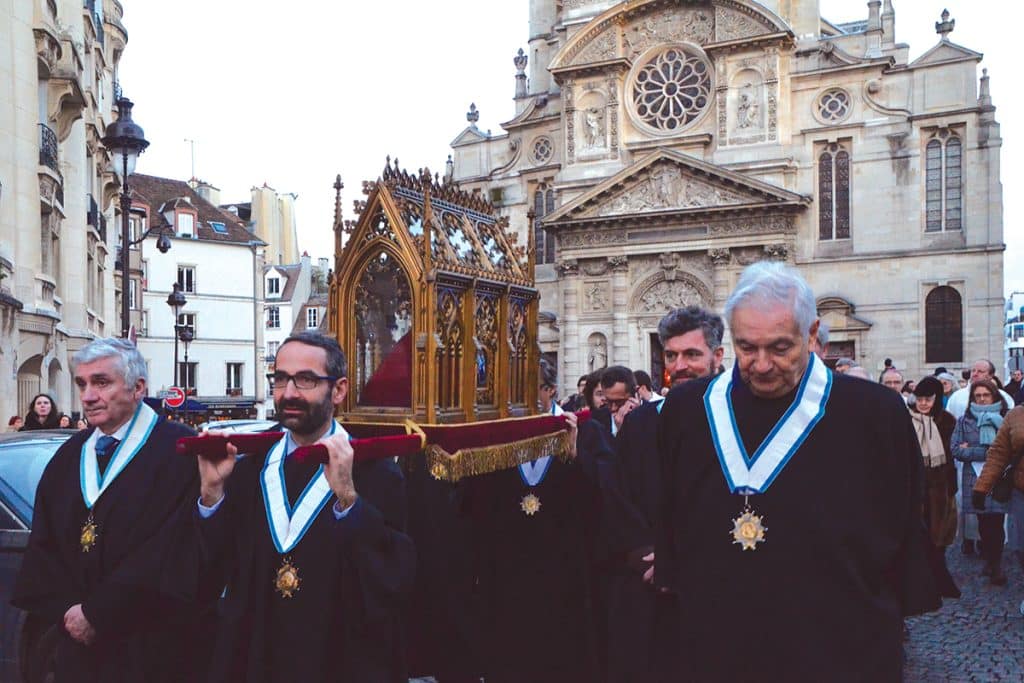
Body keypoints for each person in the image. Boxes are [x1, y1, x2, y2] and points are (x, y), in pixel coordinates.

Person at [655, 262, 938, 680]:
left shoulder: (875, 413)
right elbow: (670, 510)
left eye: (780, 348)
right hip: (716, 643)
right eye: (747, 348)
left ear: (811, 334)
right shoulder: (684, 411)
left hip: (838, 643)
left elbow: (904, 520)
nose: (762, 364)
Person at [176, 331, 415, 681]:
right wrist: (212, 496)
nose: (288, 393)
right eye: (281, 379)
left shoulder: (375, 471)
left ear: (339, 390)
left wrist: (349, 499)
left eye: (305, 380)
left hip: (339, 661)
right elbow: (209, 573)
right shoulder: (248, 469)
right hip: (257, 657)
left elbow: (393, 579)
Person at [11, 338, 199, 681]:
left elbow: (171, 548)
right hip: (78, 646)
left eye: (101, 382)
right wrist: (68, 611)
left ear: (138, 387)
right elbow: (45, 541)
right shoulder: (70, 456)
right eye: (82, 384)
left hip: (151, 643)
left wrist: (98, 614)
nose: (87, 396)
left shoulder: (179, 450)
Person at [602, 306, 724, 683]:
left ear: (717, 356)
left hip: (718, 587)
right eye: (671, 355)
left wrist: (683, 558)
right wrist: (646, 555)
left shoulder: (740, 423)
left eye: (692, 354)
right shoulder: (640, 423)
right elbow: (619, 497)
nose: (680, 365)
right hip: (649, 588)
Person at [462, 359, 593, 683]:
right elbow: (474, 504)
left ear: (550, 391)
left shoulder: (584, 430)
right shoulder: (496, 435)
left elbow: (601, 496)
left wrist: (575, 457)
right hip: (506, 571)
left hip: (563, 570)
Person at [951, 379, 1011, 585]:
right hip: (974, 479)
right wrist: (986, 452)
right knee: (984, 523)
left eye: (986, 395)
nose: (982, 399)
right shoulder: (963, 421)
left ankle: (996, 565)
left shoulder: (1006, 418)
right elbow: (957, 450)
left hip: (999, 478)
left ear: (994, 396)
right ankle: (989, 560)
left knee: (996, 522)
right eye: (978, 396)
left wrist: (973, 450)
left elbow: (1011, 449)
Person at [909, 377, 960, 599]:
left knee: (939, 535)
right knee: (918, 535)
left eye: (927, 399)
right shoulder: (908, 419)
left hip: (941, 487)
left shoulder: (947, 421)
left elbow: (951, 454)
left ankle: (940, 578)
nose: (923, 404)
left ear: (936, 399)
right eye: (919, 399)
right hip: (915, 485)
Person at [972, 403, 1024, 575]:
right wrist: (981, 487)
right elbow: (998, 453)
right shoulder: (1015, 415)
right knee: (1021, 546)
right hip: (1021, 492)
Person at [946, 361, 1014, 418]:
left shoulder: (1003, 396)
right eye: (973, 371)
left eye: (980, 371)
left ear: (991, 375)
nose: (975, 374)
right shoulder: (956, 397)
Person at [601, 366, 639, 435]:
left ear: (635, 394)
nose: (613, 408)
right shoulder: (597, 421)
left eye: (619, 402)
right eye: (608, 402)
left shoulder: (652, 417)